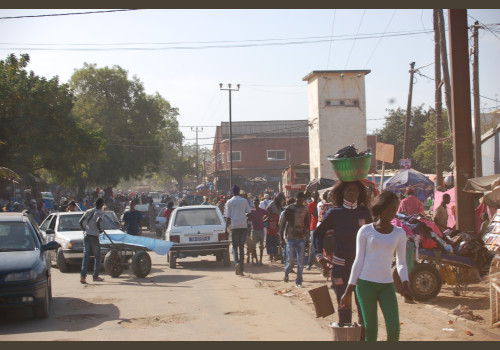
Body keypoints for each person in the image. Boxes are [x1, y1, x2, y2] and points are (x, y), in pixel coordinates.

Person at [340, 191, 413, 341]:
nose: (391, 213)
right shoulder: (365, 231)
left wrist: (405, 283)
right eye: (388, 209)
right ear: (379, 208)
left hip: (387, 285)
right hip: (365, 284)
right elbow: (358, 260)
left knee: (393, 329)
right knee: (370, 330)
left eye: (394, 209)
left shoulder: (399, 233)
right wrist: (348, 291)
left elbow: (401, 262)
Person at [313, 180, 373, 339]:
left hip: (362, 269)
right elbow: (317, 234)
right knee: (344, 308)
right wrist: (320, 257)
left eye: (355, 190)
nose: (352, 193)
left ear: (360, 193)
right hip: (340, 268)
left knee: (363, 309)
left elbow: (374, 238)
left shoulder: (365, 213)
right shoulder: (335, 213)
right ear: (342, 193)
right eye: (348, 190)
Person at [280, 192, 311, 288]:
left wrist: (307, 239)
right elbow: (283, 223)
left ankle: (299, 281)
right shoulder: (290, 209)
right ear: (295, 199)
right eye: (298, 200)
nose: (300, 202)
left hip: (301, 238)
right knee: (290, 261)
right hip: (290, 238)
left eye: (302, 201)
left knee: (300, 262)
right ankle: (286, 272)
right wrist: (281, 237)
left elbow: (307, 226)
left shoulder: (305, 209)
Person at [224, 185, 252, 276]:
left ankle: (237, 264)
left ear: (232, 192)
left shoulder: (229, 202)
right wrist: (245, 219)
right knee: (241, 247)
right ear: (239, 191)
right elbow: (249, 213)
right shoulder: (244, 201)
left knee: (235, 247)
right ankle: (242, 269)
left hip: (234, 226)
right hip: (243, 226)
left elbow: (227, 217)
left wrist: (225, 229)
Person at [79, 198, 105, 284]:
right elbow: (98, 221)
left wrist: (84, 230)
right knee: (97, 257)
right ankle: (95, 276)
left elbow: (80, 221)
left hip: (87, 235)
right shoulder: (100, 212)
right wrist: (99, 229)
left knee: (86, 256)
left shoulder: (88, 211)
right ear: (101, 205)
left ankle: (83, 277)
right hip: (94, 236)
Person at [265, 192, 285, 263]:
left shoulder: (280, 205)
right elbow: (267, 212)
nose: (281, 199)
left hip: (278, 224)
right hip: (272, 224)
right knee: (271, 241)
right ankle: (272, 256)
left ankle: (276, 256)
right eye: (280, 198)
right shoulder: (272, 204)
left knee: (277, 241)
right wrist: (270, 216)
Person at [250, 197, 269, 265]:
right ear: (253, 203)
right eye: (254, 203)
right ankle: (256, 260)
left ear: (259, 203)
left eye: (257, 203)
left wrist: (264, 220)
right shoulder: (251, 211)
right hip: (254, 230)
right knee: (253, 246)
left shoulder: (262, 210)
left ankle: (260, 260)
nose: (256, 204)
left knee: (261, 246)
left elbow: (268, 214)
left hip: (261, 230)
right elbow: (248, 217)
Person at [306, 191, 320, 270]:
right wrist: (319, 206)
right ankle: (309, 264)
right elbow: (315, 214)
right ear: (312, 196)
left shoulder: (320, 204)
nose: (317, 196)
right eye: (315, 195)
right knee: (314, 246)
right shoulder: (310, 205)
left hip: (321, 226)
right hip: (314, 227)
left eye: (317, 195)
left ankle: (319, 264)